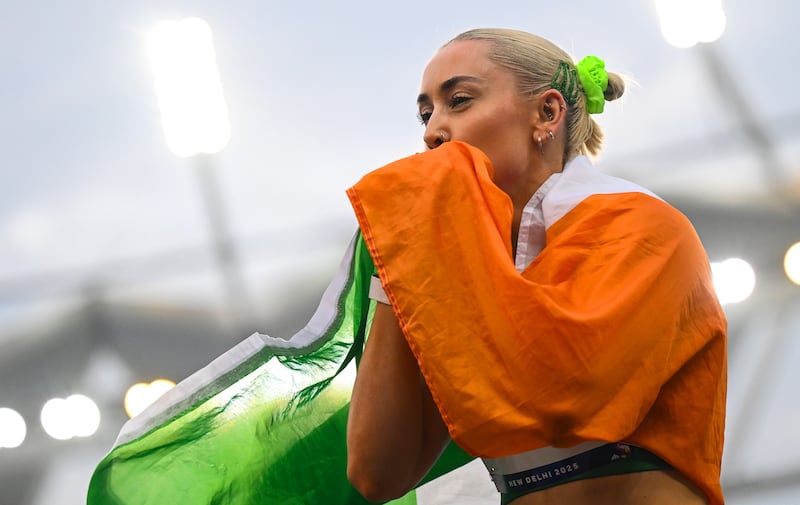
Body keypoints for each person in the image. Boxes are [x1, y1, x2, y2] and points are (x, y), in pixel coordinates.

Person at [345, 28, 727, 505]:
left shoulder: (645, 227)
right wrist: (401, 254)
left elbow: (560, 397)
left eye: (459, 101)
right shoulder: (456, 268)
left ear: (547, 112)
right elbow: (376, 473)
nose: (431, 132)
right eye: (425, 114)